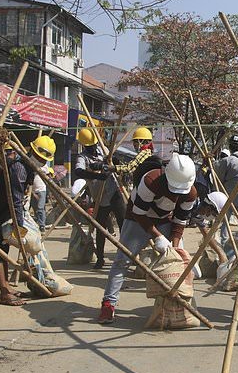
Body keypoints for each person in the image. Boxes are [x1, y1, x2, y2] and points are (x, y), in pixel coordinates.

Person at [98, 153, 197, 323]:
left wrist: (174, 247)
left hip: (165, 219)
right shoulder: (150, 181)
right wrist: (158, 237)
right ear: (166, 174)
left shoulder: (190, 193)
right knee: (123, 261)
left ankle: (171, 305)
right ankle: (108, 304)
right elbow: (139, 213)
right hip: (137, 217)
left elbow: (179, 222)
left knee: (175, 262)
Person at [0, 136, 55, 306]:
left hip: (4, 212)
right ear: (33, 153)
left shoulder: (29, 167)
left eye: (44, 160)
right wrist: (19, 225)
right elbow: (16, 199)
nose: (42, 162)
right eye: (41, 158)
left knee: (3, 249)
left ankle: (6, 287)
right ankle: (4, 293)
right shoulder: (20, 168)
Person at [74, 128, 126, 269]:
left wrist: (112, 161)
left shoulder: (102, 151)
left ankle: (126, 256)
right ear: (85, 146)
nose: (92, 148)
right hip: (100, 197)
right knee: (100, 229)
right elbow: (78, 171)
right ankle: (100, 258)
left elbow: (116, 163)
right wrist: (96, 174)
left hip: (114, 193)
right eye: (89, 146)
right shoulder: (82, 157)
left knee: (124, 225)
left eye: (93, 145)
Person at [214, 134, 238, 245]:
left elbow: (219, 177)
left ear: (230, 146)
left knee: (225, 223)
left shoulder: (226, 161)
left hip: (228, 196)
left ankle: (225, 244)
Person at [189, 191, 229, 264]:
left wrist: (220, 253)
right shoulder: (191, 203)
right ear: (208, 208)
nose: (212, 217)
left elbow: (206, 234)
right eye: (213, 214)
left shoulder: (199, 214)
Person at [30, 164, 53, 233]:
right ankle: (39, 223)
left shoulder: (44, 166)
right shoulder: (30, 164)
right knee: (35, 209)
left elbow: (48, 177)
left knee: (40, 208)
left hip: (41, 190)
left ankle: (42, 225)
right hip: (32, 190)